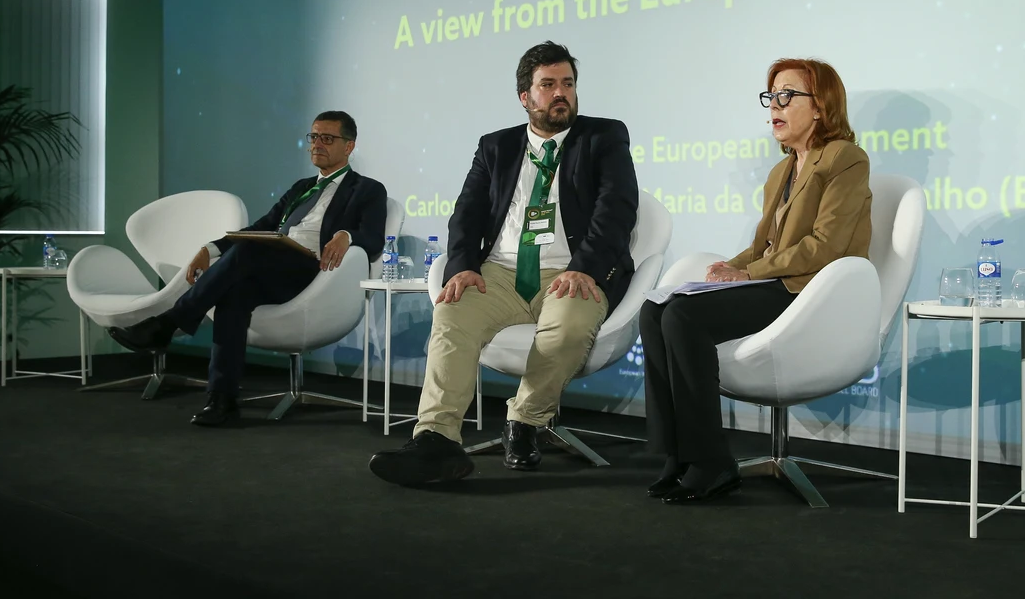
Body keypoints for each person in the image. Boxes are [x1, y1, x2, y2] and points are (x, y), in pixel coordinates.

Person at [369, 41, 639, 485]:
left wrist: (586, 267)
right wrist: (462, 266)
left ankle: (524, 421)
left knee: (567, 329)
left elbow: (617, 209)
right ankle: (435, 439)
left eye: (568, 83)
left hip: (570, 271)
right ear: (525, 97)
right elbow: (467, 213)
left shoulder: (604, 137)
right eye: (548, 85)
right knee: (451, 314)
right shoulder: (495, 146)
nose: (561, 93)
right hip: (499, 272)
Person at [640, 59, 872, 504]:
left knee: (683, 318)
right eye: (771, 97)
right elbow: (763, 246)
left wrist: (747, 273)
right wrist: (726, 269)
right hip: (777, 282)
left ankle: (712, 462)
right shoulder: (781, 172)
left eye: (787, 95)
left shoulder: (844, 158)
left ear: (820, 106)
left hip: (811, 293)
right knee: (655, 310)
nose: (775, 106)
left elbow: (825, 246)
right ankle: (679, 455)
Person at [108, 111, 387, 426]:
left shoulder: (367, 189)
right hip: (275, 267)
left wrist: (346, 235)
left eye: (327, 138)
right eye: (313, 137)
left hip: (316, 273)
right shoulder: (301, 187)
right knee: (233, 295)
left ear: (348, 146)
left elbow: (374, 238)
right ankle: (222, 401)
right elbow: (261, 226)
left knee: (249, 249)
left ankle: (168, 323)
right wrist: (210, 249)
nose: (317, 144)